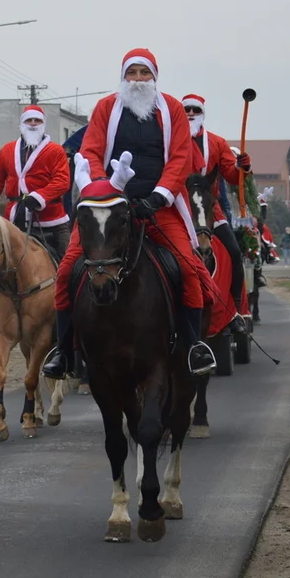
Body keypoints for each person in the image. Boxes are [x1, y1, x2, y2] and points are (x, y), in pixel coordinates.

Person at [42, 48, 223, 378]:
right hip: (108, 210)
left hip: (160, 207)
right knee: (67, 271)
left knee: (188, 269)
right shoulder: (105, 108)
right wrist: (103, 188)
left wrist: (158, 196)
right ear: (123, 77)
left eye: (144, 73)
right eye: (132, 73)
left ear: (155, 77)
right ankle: (65, 351)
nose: (138, 80)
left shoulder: (173, 111)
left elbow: (181, 159)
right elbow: (91, 151)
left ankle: (194, 346)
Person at [0, 105, 72, 341]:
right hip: (14, 220)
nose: (33, 124)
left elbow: (62, 180)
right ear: (22, 124)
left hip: (50, 220)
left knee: (69, 269)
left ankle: (72, 323)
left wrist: (39, 197)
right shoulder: (8, 150)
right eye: (29, 120)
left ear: (43, 125)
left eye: (37, 121)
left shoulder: (55, 151)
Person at [182, 93, 250, 331]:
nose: (190, 113)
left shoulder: (217, 143)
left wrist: (242, 167)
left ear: (202, 114)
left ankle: (238, 312)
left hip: (211, 208)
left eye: (195, 110)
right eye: (186, 109)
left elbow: (231, 175)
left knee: (233, 252)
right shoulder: (168, 140)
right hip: (177, 206)